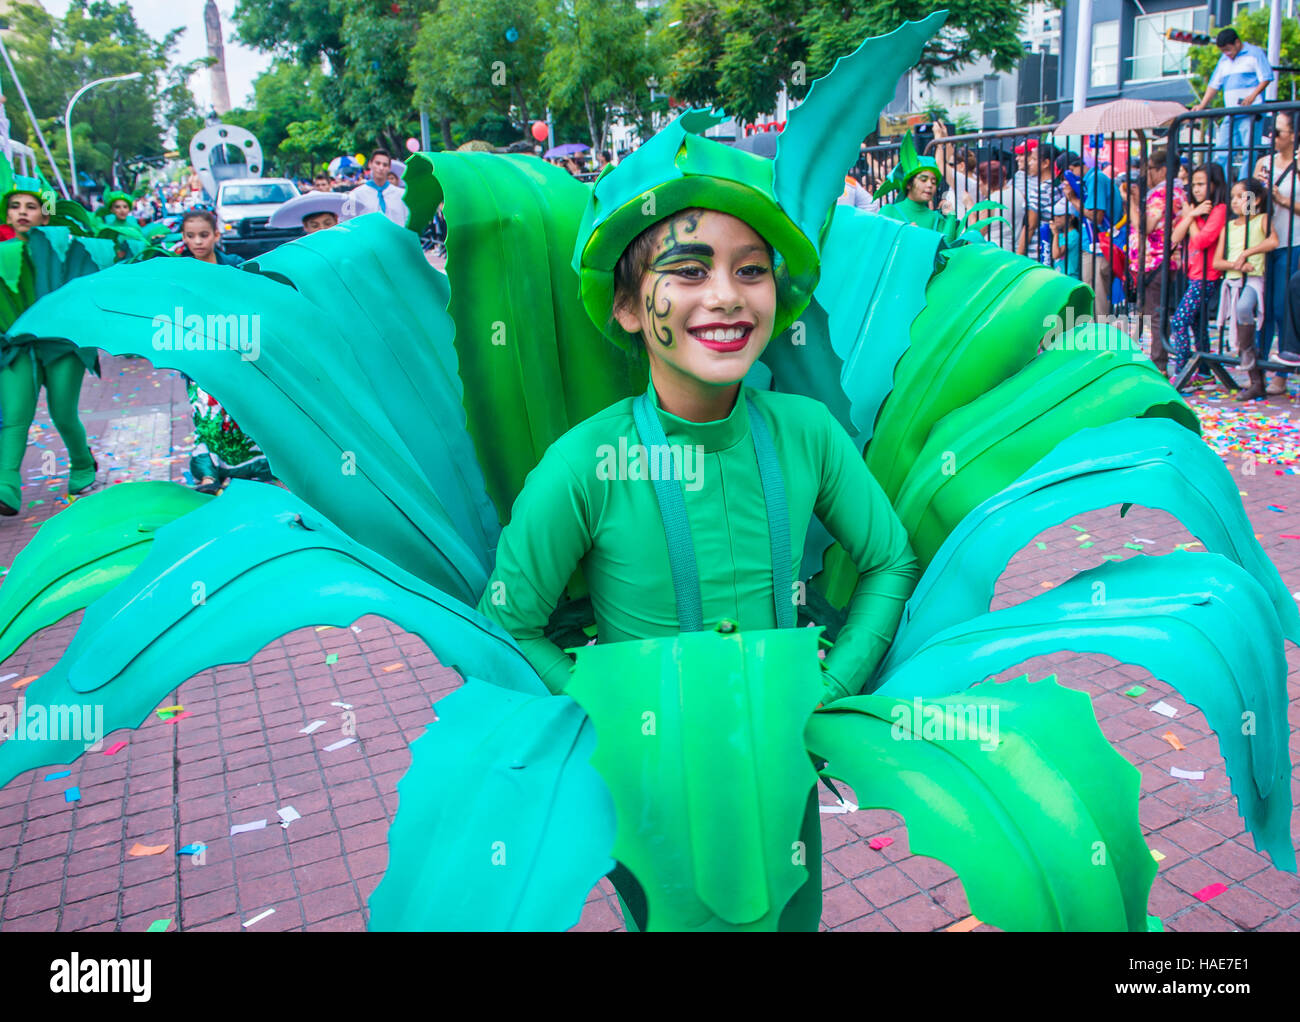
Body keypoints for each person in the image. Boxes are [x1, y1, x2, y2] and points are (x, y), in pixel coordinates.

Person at [478, 122, 920, 929]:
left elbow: (891, 560)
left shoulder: (809, 433)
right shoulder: (586, 463)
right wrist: (614, 715)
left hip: (783, 782)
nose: (725, 295)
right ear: (624, 305)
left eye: (750, 270)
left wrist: (830, 687)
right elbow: (508, 619)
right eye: (687, 270)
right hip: (654, 797)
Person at [0, 164, 98, 514]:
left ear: (44, 213)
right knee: (15, 414)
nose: (22, 213)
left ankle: (83, 464)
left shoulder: (66, 247)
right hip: (15, 346)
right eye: (15, 206)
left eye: (30, 206)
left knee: (62, 411)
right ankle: (6, 486)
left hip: (61, 344)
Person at [1214, 177, 1279, 400]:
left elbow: (1273, 241)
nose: (1235, 201)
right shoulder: (1229, 227)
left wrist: (1246, 254)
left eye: (1241, 197)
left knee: (1243, 309)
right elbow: (1217, 262)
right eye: (1233, 196)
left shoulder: (1260, 220)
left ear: (1256, 200)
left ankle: (1248, 355)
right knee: (1239, 316)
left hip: (1252, 279)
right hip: (1232, 281)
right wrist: (1235, 264)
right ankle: (1254, 375)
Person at [1254, 110, 1300, 394]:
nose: (1272, 136)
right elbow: (1246, 208)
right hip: (1263, 241)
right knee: (1262, 307)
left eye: (1279, 131)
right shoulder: (1263, 163)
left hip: (1292, 243)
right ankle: (1256, 370)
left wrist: (1282, 199)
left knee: (1284, 306)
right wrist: (1256, 190)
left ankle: (1282, 373)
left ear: (1293, 136)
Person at [1127, 148, 1185, 375]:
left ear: (1162, 170)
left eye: (1149, 168)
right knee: (1147, 311)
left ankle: (1159, 364)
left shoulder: (1164, 194)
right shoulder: (1174, 193)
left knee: (1155, 313)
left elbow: (1145, 227)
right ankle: (1137, 355)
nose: (1146, 173)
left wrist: (1132, 203)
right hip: (1155, 262)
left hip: (1156, 262)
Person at [1168, 163, 1228, 381]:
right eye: (1193, 184)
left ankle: (1183, 371)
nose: (1196, 189)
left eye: (1201, 184)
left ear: (1214, 184)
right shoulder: (1197, 210)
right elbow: (1175, 237)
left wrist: (1190, 217)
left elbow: (1202, 241)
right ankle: (1203, 372)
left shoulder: (1219, 210)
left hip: (1207, 276)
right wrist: (1192, 215)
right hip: (1193, 274)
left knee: (1179, 321)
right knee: (1197, 324)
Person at [1195, 27, 1273, 181]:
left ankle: (1246, 190)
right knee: (1222, 151)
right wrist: (1202, 105)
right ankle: (1222, 189)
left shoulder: (1254, 53)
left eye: (1228, 50)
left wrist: (1253, 95)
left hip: (1249, 112)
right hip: (1230, 113)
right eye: (1223, 51)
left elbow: (1266, 76)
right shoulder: (1224, 60)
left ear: (1237, 43)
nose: (1227, 54)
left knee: (1248, 153)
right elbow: (1214, 84)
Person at [873, 131, 957, 238]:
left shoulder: (936, 219)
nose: (930, 185)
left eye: (934, 182)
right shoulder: (889, 212)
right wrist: (903, 235)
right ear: (909, 184)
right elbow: (878, 243)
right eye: (923, 180)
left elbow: (946, 250)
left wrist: (951, 216)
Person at [347, 149, 409, 227]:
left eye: (385, 165)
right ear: (370, 164)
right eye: (377, 163)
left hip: (395, 237)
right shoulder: (356, 195)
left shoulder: (401, 194)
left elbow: (407, 221)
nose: (381, 168)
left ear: (389, 168)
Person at [1049, 201, 1082, 279]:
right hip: (1059, 276)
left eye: (1060, 216)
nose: (1056, 219)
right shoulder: (1061, 235)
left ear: (1071, 217)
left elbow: (1056, 254)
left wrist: (1055, 234)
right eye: (1055, 216)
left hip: (1070, 277)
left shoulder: (1073, 235)